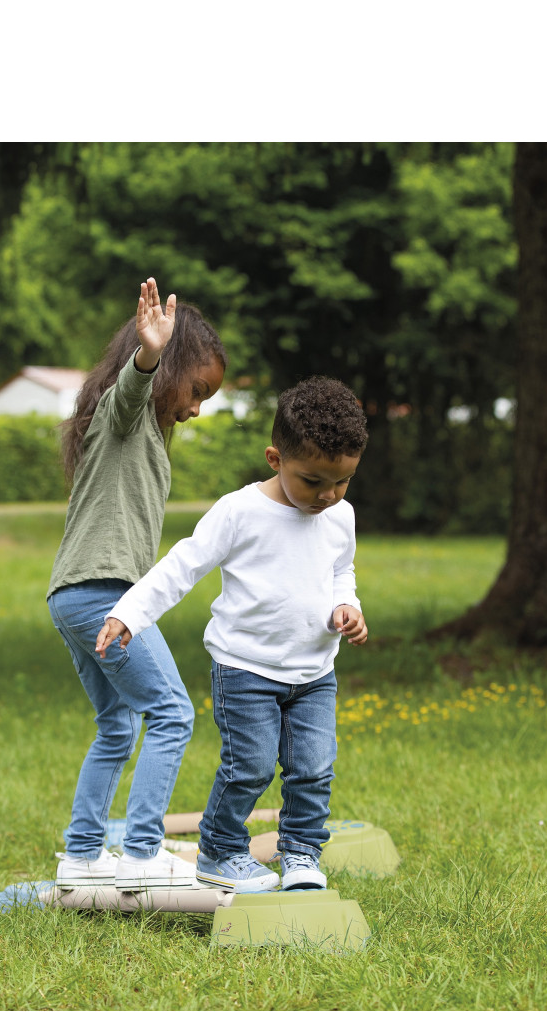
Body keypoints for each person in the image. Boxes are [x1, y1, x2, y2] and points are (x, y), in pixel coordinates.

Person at [96, 376, 369, 893]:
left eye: (343, 482)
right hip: (245, 668)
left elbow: (341, 570)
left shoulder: (340, 516)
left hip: (315, 672)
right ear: (275, 459)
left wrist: (346, 605)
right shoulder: (240, 512)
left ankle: (301, 854)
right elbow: (183, 566)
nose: (328, 495)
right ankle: (220, 851)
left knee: (313, 769)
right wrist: (129, 613)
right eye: (313, 481)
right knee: (250, 766)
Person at [47, 278, 226, 892]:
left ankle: (82, 853)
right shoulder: (121, 415)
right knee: (172, 713)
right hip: (102, 595)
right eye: (197, 390)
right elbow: (131, 392)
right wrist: (149, 354)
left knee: (119, 725)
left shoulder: (138, 431)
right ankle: (142, 854)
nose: (196, 409)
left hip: (72, 596)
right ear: (167, 368)